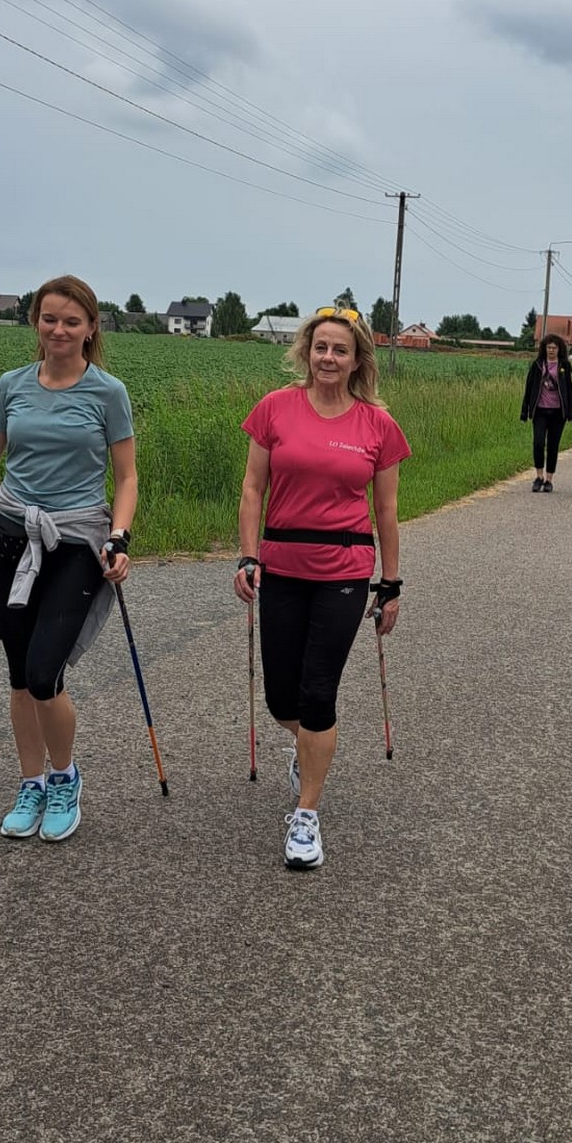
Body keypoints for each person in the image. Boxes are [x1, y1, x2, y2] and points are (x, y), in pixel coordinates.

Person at [0, 275, 137, 844]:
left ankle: (65, 778)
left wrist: (119, 537)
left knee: (44, 675)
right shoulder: (11, 385)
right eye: (48, 318)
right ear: (35, 322)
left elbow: (127, 477)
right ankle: (31, 782)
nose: (58, 330)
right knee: (19, 676)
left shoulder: (108, 393)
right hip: (12, 536)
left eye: (71, 321)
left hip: (76, 542)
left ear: (91, 328)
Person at [235, 307, 409, 871]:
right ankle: (310, 747)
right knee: (281, 699)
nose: (328, 358)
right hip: (282, 564)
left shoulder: (377, 425)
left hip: (345, 570)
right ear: (306, 352)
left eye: (340, 350)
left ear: (357, 360)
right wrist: (247, 555)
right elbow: (252, 489)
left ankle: (306, 813)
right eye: (321, 348)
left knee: (317, 694)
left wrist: (390, 583)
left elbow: (386, 511)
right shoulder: (274, 408)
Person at [519, 333, 572, 492]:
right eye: (549, 347)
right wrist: (525, 411)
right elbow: (529, 388)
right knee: (538, 443)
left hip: (558, 412)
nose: (551, 350)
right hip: (540, 410)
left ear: (559, 349)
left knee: (553, 445)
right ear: (544, 349)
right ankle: (538, 476)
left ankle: (549, 479)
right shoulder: (537, 365)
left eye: (554, 348)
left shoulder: (565, 366)